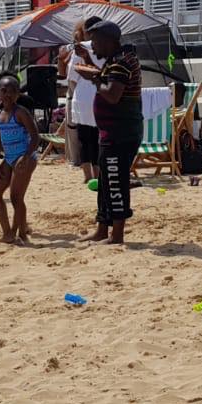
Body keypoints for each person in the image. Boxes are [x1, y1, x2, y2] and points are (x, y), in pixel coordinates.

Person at [73, 21, 142, 244]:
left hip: (120, 132)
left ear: (107, 41)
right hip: (111, 131)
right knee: (105, 181)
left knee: (115, 181)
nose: (93, 46)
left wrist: (92, 79)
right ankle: (102, 228)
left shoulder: (121, 62)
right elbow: (106, 76)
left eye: (94, 41)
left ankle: (117, 234)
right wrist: (87, 61)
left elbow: (112, 94)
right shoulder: (116, 60)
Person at [0, 73, 41, 243]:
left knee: (16, 198)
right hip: (9, 158)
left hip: (25, 157)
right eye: (4, 91)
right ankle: (9, 231)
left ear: (18, 94)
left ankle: (16, 231)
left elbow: (35, 137)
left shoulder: (21, 113)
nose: (7, 95)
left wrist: (25, 157)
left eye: (12, 91)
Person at [62, 17, 102, 184]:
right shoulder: (108, 46)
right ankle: (99, 175)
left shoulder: (80, 48)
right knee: (99, 138)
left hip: (82, 97)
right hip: (102, 95)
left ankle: (87, 176)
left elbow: (71, 76)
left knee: (84, 139)